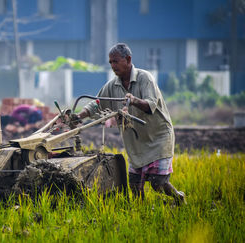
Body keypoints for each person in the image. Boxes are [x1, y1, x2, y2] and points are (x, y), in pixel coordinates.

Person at [75, 43, 186, 205]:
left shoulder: (144, 78)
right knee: (134, 186)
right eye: (110, 63)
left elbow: (150, 105)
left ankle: (179, 198)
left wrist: (133, 100)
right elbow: (97, 104)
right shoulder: (112, 86)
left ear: (128, 59)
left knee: (158, 183)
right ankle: (142, 213)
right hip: (136, 143)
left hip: (158, 138)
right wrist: (79, 116)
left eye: (116, 61)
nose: (113, 66)